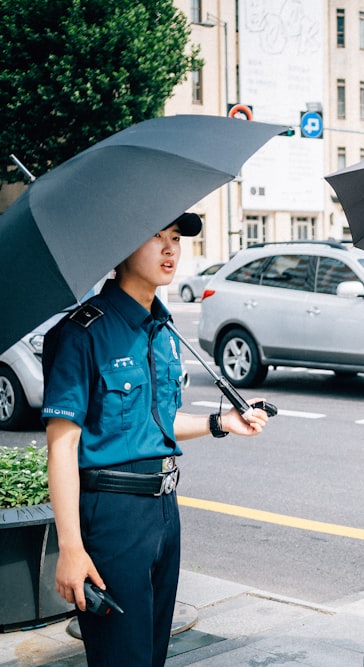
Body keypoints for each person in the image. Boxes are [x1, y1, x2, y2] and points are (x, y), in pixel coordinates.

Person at [43, 213, 271, 667]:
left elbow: (159, 422)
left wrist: (221, 421)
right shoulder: (82, 333)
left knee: (152, 655)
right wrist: (70, 548)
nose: (170, 249)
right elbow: (62, 445)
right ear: (122, 252)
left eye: (175, 239)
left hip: (164, 512)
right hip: (113, 514)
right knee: (121, 658)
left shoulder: (161, 330)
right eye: (155, 238)